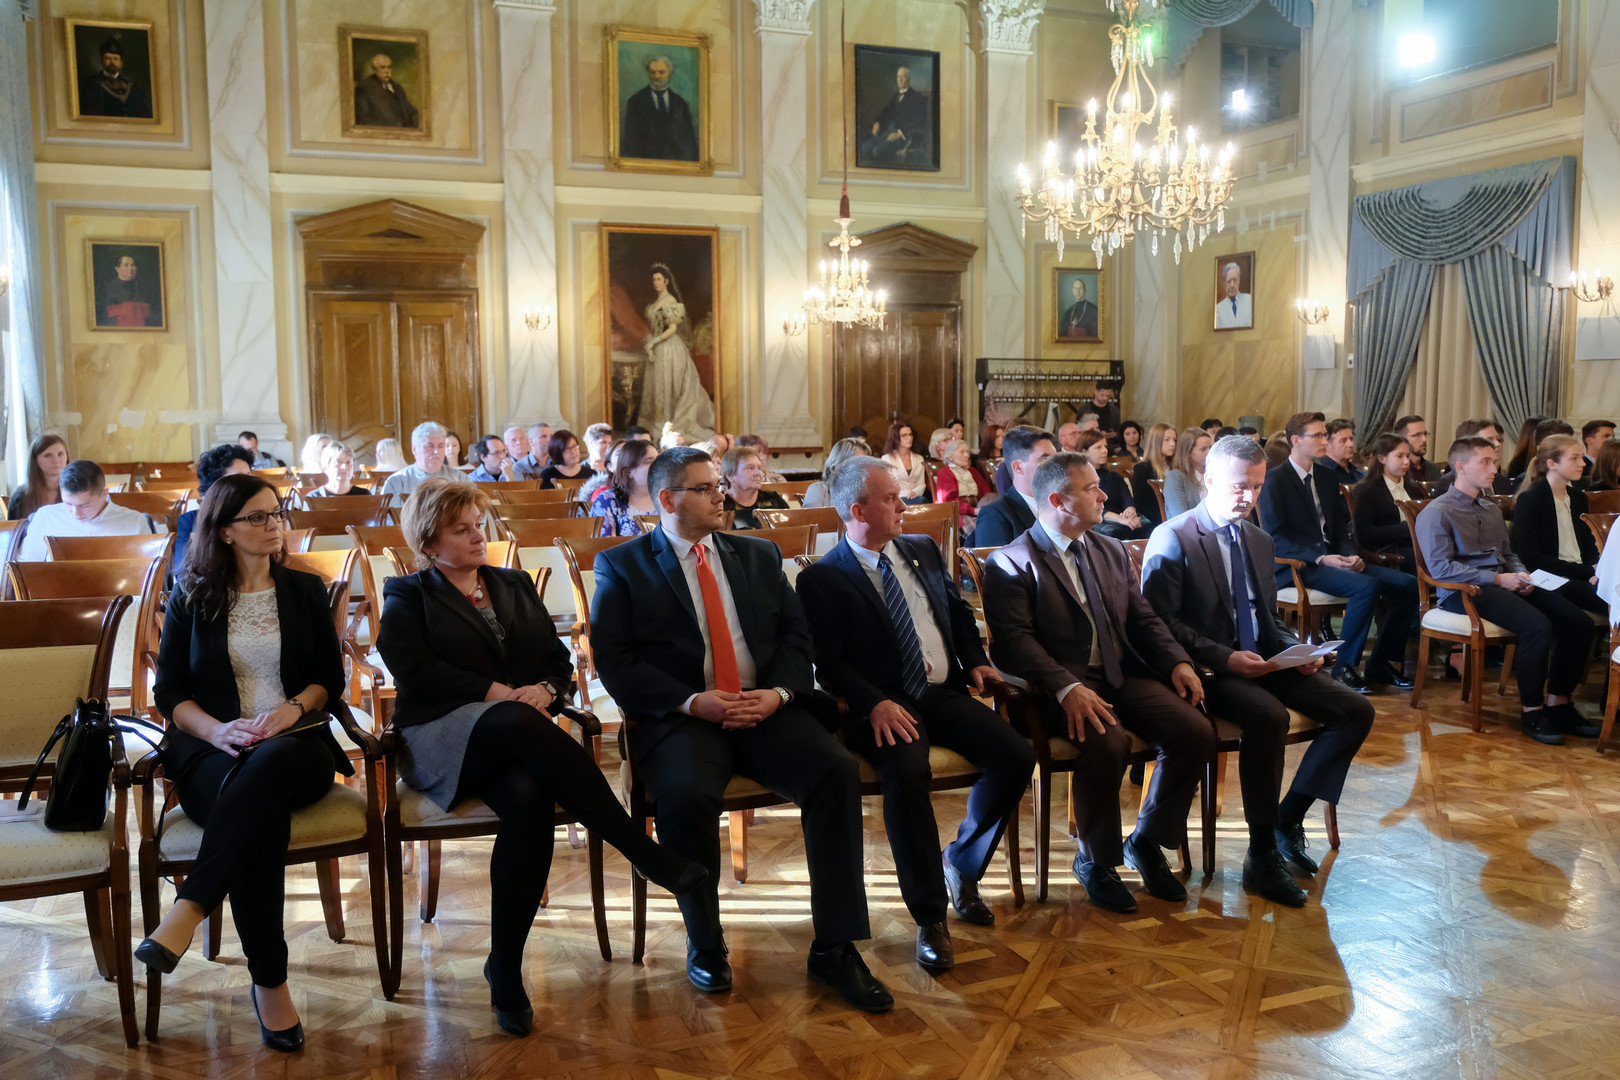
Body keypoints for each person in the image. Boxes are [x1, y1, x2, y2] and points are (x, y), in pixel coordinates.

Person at [377, 479, 703, 1035]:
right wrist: (499, 694)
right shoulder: (408, 593)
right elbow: (415, 672)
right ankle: (639, 849)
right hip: (439, 734)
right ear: (429, 544)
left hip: (515, 736)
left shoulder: (512, 583)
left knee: (528, 800)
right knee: (513, 719)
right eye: (461, 530)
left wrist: (548, 690)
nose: (477, 536)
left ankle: (504, 969)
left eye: (479, 525)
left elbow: (556, 659)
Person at [590, 446, 892, 1011]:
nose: (720, 495)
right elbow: (616, 660)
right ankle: (706, 942)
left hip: (764, 710)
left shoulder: (757, 554)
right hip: (685, 718)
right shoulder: (623, 565)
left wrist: (778, 694)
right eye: (705, 488)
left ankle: (836, 945)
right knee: (684, 796)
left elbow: (797, 637)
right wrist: (690, 701)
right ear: (667, 499)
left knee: (834, 771)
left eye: (718, 485)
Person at [137, 475, 354, 1051]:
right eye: (256, 517)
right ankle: (271, 985)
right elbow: (169, 692)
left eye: (276, 513)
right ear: (225, 531)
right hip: (213, 752)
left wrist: (290, 710)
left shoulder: (305, 589)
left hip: (296, 745)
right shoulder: (191, 596)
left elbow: (328, 679)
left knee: (269, 770)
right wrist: (217, 730)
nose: (272, 525)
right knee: (260, 815)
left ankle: (189, 908)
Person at [796, 458, 1034, 969]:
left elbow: (957, 615)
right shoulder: (823, 579)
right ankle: (930, 915)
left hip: (941, 691)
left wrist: (975, 660)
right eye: (890, 499)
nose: (904, 506)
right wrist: (872, 703)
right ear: (858, 511)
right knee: (906, 773)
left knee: (1015, 754)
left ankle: (962, 863)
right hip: (881, 703)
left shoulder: (922, 549)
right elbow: (829, 663)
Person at [1140, 436, 1374, 906]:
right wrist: (1224, 657)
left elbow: (1266, 618)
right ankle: (1262, 853)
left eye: (1258, 487)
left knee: (1356, 710)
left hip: (1261, 659)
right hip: (1206, 668)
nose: (1249, 497)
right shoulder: (1175, 535)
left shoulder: (1258, 539)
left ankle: (1288, 817)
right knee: (1269, 716)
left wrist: (1296, 650)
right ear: (1209, 480)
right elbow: (1160, 624)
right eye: (1239, 486)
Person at [981, 452, 1214, 912]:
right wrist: (1066, 687)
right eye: (1091, 488)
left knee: (1195, 731)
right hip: (1056, 689)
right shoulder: (1011, 561)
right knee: (1108, 742)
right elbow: (1014, 644)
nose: (1104, 495)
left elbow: (1143, 620)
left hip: (1118, 673)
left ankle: (1146, 841)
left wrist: (1177, 662)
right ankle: (1096, 861)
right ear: (1057, 500)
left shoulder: (1109, 549)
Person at [1416, 437, 1598, 745]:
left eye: (1494, 461)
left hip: (1504, 582)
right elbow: (1441, 569)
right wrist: (1500, 580)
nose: (1494, 468)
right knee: (1537, 626)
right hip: (1464, 591)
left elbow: (1509, 553)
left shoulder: (1490, 509)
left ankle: (1559, 704)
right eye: (1485, 462)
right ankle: (1532, 710)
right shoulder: (1437, 512)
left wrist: (1520, 573)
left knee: (1579, 623)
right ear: (1461, 467)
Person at [1258, 412, 1417, 694]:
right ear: (1296, 440)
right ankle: (1344, 666)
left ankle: (1379, 662)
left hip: (1334, 558)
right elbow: (1275, 538)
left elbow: (1341, 529)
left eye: (1324, 435)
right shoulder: (1274, 480)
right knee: (1367, 586)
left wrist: (1349, 554)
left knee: (1407, 585)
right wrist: (1321, 558)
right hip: (1298, 565)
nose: (1324, 440)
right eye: (1318, 435)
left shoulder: (1326, 476)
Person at [1510, 435, 1606, 619]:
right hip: (1552, 577)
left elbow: (1588, 545)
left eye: (1581, 457)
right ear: (1552, 464)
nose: (1582, 464)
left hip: (1581, 573)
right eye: (1574, 458)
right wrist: (1588, 571)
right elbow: (1532, 557)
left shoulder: (1578, 498)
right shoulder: (1531, 499)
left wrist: (1597, 570)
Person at [18, 460, 158, 560]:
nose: (75, 512)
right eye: (68, 503)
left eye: (84, 505)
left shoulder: (134, 523)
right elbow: (26, 564)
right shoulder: (47, 516)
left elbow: (148, 573)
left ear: (104, 494)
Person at [639, 265, 716, 440]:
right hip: (659, 348)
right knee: (659, 386)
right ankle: (658, 425)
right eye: (654, 279)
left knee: (669, 386)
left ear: (666, 281)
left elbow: (672, 328)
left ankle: (667, 426)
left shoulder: (670, 301)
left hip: (670, 347)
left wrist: (654, 342)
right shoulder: (656, 302)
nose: (656, 282)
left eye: (659, 279)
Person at [1350, 432, 1425, 573]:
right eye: (1400, 456)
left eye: (1408, 456)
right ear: (1382, 458)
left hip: (1416, 543)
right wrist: (1406, 529)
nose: (1406, 462)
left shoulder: (1413, 487)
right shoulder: (1368, 490)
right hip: (1391, 548)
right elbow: (1365, 533)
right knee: (1425, 557)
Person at [174, 444, 255, 572]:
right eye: (239, 479)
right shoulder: (190, 521)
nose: (249, 485)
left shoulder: (259, 517)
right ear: (215, 485)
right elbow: (182, 571)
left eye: (249, 476)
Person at [973, 427, 1057, 547]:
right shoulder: (995, 514)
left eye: (1055, 459)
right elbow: (994, 559)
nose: (1056, 466)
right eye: (1046, 460)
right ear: (1018, 467)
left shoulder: (1061, 505)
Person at [620, 55, 699, 161]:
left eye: (662, 72)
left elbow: (689, 143)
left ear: (669, 73)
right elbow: (630, 142)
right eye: (652, 72)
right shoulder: (635, 102)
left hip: (676, 164)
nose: (657, 76)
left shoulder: (681, 104)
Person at [1077, 431, 1149, 540]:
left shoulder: (1113, 476)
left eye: (1105, 446)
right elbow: (1091, 508)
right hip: (1100, 520)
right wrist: (1120, 519)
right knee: (1116, 532)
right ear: (1084, 452)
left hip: (1122, 517)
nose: (1105, 450)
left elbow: (1127, 499)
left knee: (1147, 525)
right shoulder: (1080, 479)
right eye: (1098, 447)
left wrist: (1130, 511)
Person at [859, 65, 931, 167]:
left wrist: (900, 133)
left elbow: (918, 122)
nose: (900, 80)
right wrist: (878, 123)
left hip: (906, 137)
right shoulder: (896, 96)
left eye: (903, 77)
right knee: (865, 147)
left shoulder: (917, 98)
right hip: (892, 133)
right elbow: (886, 112)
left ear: (909, 79)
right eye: (898, 77)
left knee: (877, 151)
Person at [588, 438, 659, 537]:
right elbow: (602, 544)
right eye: (649, 461)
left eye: (659, 461)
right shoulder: (608, 501)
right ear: (629, 471)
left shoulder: (668, 498)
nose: (658, 466)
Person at [1431, 419, 1516, 498]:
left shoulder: (1502, 481)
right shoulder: (1450, 484)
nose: (1498, 444)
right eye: (1489, 440)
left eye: (1498, 439)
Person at [381, 422, 462, 500]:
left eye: (441, 446)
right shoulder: (397, 482)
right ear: (414, 449)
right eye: (430, 446)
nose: (436, 451)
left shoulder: (460, 479)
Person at [77, 36, 152, 119]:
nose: (112, 62)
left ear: (121, 63)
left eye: (115, 59)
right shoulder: (92, 85)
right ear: (101, 61)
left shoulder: (133, 86)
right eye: (107, 58)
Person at [720, 446, 789, 530]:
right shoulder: (721, 505)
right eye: (750, 468)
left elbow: (792, 529)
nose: (757, 473)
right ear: (730, 476)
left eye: (759, 468)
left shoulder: (773, 499)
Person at [931, 439, 990, 537]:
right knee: (981, 534)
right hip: (958, 512)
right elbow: (949, 501)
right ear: (950, 457)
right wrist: (973, 510)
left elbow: (986, 493)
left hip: (978, 509)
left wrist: (986, 507)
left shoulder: (972, 471)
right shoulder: (945, 473)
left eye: (967, 452)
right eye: (962, 452)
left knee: (995, 527)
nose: (967, 455)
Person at [8, 434, 69, 520]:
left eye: (60, 454)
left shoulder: (78, 490)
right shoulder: (21, 497)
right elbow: (13, 527)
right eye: (48, 455)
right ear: (35, 460)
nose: (56, 460)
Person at [353, 51, 419, 128]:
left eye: (389, 67)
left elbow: (410, 112)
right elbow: (363, 118)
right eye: (382, 67)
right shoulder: (364, 87)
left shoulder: (397, 88)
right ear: (374, 70)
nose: (387, 71)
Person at [803, 437, 870, 510]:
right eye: (856, 462)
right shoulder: (818, 490)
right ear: (838, 463)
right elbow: (812, 517)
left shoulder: (869, 491)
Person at [97, 251, 160, 327]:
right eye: (126, 265)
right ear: (117, 269)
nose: (130, 268)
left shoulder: (145, 287)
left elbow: (154, 314)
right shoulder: (107, 288)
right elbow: (103, 316)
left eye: (133, 265)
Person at [1132, 422, 1177, 525]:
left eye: (1174, 440)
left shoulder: (1178, 467)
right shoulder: (1142, 469)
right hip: (1158, 521)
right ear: (1156, 442)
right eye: (1167, 440)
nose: (1172, 444)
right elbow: (1143, 505)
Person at [1163, 427, 1212, 519]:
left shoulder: (1214, 475)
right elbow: (1180, 517)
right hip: (1188, 527)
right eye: (1203, 449)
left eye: (1211, 447)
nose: (1209, 452)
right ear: (1188, 452)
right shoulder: (1175, 477)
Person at [881, 421, 929, 505]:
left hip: (916, 497)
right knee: (922, 502)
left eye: (910, 434)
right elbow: (887, 485)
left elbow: (921, 484)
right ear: (895, 438)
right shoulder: (887, 459)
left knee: (922, 501)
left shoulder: (919, 458)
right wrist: (907, 493)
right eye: (904, 435)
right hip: (896, 498)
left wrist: (915, 493)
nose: (909, 438)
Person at [1392, 416, 1442, 483]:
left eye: (1425, 434)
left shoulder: (1434, 469)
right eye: (1417, 435)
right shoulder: (1395, 470)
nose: (1424, 439)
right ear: (1401, 439)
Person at [1318, 419, 1365, 485]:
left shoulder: (1361, 474)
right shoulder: (1321, 476)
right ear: (1327, 445)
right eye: (1343, 440)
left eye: (1351, 439)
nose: (1351, 444)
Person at [1214, 262, 1252, 329]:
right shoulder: (1218, 309)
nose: (1232, 285)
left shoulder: (1249, 300)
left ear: (1239, 281)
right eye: (1229, 281)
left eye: (1234, 280)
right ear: (1224, 284)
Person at [975, 424, 1006, 491]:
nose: (1001, 439)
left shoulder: (1008, 458)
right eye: (997, 437)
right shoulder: (982, 462)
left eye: (1003, 436)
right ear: (990, 438)